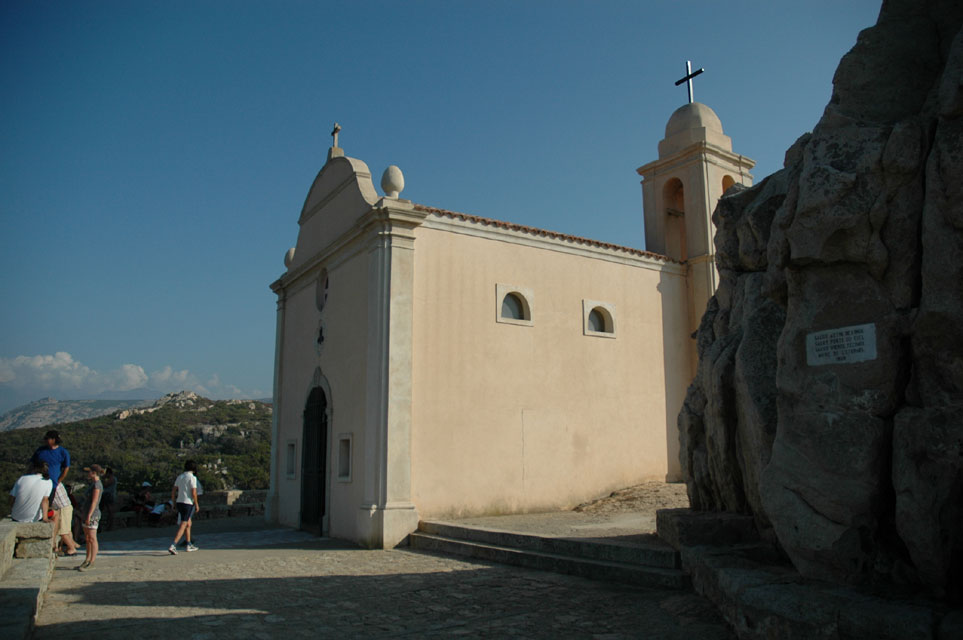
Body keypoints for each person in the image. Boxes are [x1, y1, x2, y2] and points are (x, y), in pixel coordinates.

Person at [168, 461, 200, 554]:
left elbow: (173, 491)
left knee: (188, 523)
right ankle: (173, 545)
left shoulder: (180, 477)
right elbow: (194, 492)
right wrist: (197, 504)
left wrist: (174, 502)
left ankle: (188, 544)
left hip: (179, 502)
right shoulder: (192, 478)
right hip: (188, 503)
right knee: (184, 524)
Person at [77, 464, 104, 571]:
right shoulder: (93, 484)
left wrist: (89, 515)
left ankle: (92, 561)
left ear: (93, 473)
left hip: (93, 514)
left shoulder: (97, 485)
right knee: (87, 538)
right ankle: (87, 559)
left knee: (92, 538)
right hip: (86, 512)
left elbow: (94, 502)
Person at [31, 430, 70, 497]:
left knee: (47, 504)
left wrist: (58, 481)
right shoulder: (40, 450)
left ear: (53, 439)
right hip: (38, 484)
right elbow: (32, 464)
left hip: (52, 485)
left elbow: (66, 468)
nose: (45, 440)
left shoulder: (63, 452)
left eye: (47, 438)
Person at [51, 482, 79, 556]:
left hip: (62, 508)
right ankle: (71, 546)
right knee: (67, 530)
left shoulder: (52, 484)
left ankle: (72, 548)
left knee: (63, 532)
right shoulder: (58, 482)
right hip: (67, 507)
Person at [100, 467, 117, 531]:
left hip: (109, 496)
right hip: (108, 495)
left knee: (110, 511)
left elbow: (105, 485)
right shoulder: (112, 478)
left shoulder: (112, 478)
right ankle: (109, 526)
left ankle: (110, 526)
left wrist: (103, 478)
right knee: (110, 511)